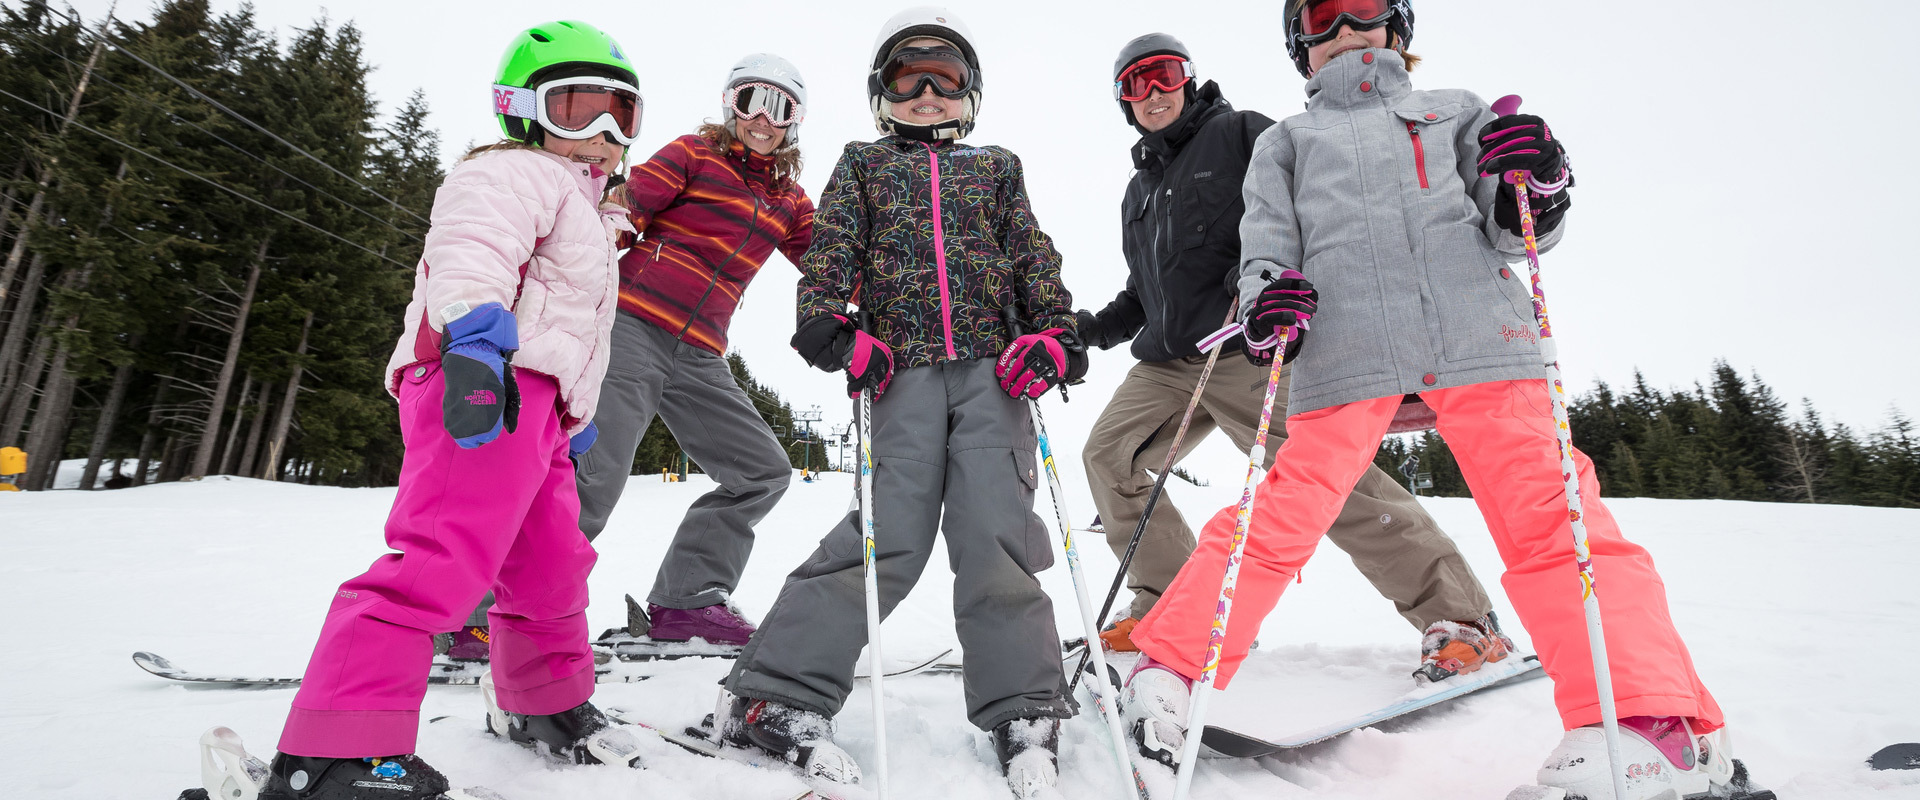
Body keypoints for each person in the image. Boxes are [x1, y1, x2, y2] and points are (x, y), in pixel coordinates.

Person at [1120, 3, 1769, 798]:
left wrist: (1538, 182)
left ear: (1398, 23)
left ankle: (1647, 719)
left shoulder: (1455, 110)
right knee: (1281, 512)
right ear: (1301, 44)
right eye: (1322, 13)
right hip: (1347, 351)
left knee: (1555, 519)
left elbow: (1514, 227)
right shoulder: (1287, 143)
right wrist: (1267, 302)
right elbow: (1265, 251)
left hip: (1477, 338)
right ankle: (1169, 670)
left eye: (1365, 5)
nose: (1345, 24)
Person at [264, 21, 645, 797]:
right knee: (438, 560)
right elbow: (473, 250)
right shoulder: (512, 173)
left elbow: (568, 326)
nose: (603, 133)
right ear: (521, 109)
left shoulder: (595, 214)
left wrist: (571, 414)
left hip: (536, 409)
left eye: (622, 113)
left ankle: (545, 702)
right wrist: (473, 343)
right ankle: (337, 750)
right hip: (482, 378)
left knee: (551, 567)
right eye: (578, 108)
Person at [717, 8, 1083, 796]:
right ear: (881, 94)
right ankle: (776, 693)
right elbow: (832, 248)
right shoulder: (864, 163)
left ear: (970, 92)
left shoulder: (997, 168)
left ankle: (1023, 708)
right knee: (890, 537)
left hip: (994, 373)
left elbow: (1032, 256)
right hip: (901, 371)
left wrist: (1056, 334)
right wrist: (826, 322)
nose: (925, 93)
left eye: (944, 77)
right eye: (907, 79)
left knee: (997, 534)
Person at [1077, 31, 1510, 683]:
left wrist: (1262, 278)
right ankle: (1170, 606)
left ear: (1188, 79)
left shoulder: (1242, 135)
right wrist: (1084, 333)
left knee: (1326, 479)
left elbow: (1305, 207)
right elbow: (1142, 294)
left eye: (1165, 74)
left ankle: (1461, 617)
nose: (1154, 92)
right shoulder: (1139, 193)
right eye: (1136, 84)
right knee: (1108, 456)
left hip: (1246, 347)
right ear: (1124, 102)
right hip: (1169, 363)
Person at [447, 53, 816, 659]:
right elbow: (627, 203)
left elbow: (828, 265)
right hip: (634, 327)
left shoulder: (790, 201)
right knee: (593, 480)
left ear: (794, 122)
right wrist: (598, 241)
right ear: (731, 105)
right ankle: (481, 616)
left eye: (781, 108)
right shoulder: (695, 154)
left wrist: (883, 302)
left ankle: (688, 600)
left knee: (762, 471)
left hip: (701, 354)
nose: (764, 119)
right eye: (752, 100)